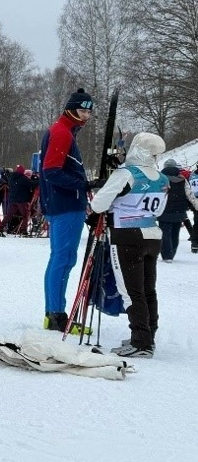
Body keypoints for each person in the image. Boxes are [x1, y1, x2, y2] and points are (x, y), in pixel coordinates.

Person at [89, 133, 170, 357]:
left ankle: (140, 342)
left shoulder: (126, 174)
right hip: (152, 235)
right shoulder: (162, 178)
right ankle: (147, 335)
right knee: (147, 289)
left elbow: (98, 204)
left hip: (127, 235)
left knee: (131, 291)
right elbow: (160, 210)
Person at [40, 88, 95, 332]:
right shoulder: (62, 133)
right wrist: (84, 184)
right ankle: (57, 316)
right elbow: (51, 171)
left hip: (63, 203)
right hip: (66, 204)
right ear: (70, 109)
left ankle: (52, 313)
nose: (86, 117)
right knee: (63, 259)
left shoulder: (63, 131)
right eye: (82, 111)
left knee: (59, 259)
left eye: (89, 112)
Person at [157, 159, 198, 262]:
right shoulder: (182, 179)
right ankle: (172, 252)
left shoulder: (160, 178)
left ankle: (167, 255)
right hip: (179, 210)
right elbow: (190, 194)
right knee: (175, 233)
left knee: (165, 232)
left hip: (164, 210)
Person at [4, 165, 36, 234]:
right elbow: (32, 184)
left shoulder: (11, 178)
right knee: (25, 215)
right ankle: (23, 230)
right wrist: (38, 180)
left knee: (9, 215)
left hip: (12, 199)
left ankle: (0, 227)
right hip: (21, 200)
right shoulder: (23, 178)